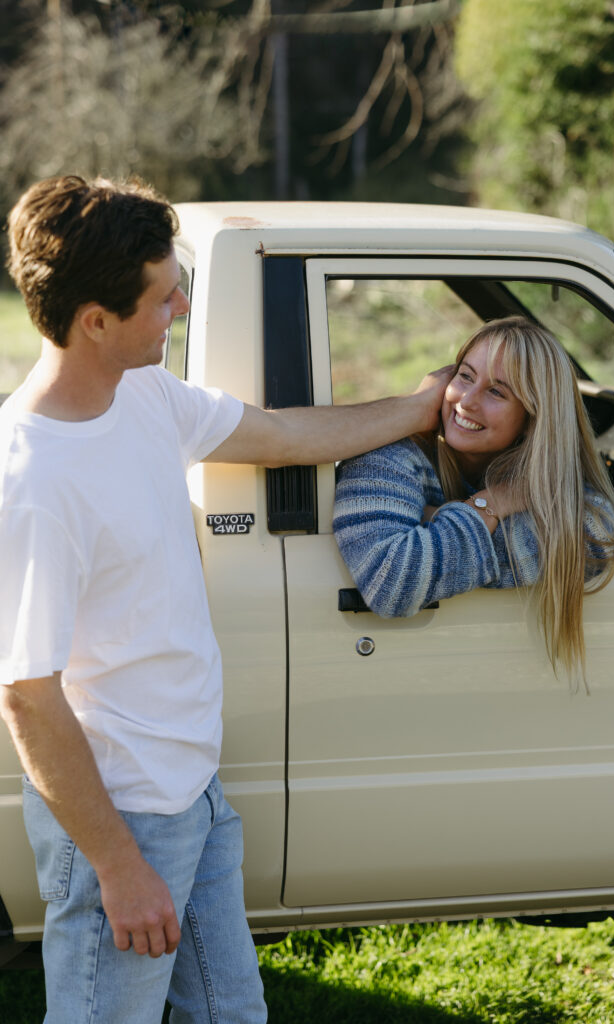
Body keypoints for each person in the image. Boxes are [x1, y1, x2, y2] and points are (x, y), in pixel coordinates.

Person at [0, 175, 452, 1024]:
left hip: (193, 794)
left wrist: (419, 408)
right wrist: (120, 866)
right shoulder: (33, 481)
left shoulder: (141, 395)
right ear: (95, 320)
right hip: (124, 817)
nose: (179, 306)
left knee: (232, 1015)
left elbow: (283, 434)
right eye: (164, 297)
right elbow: (27, 695)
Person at [334, 316, 614, 683]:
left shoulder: (544, 484)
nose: (467, 402)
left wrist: (435, 524)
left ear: (532, 419)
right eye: (465, 376)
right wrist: (492, 505)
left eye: (497, 392)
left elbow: (596, 533)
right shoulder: (385, 457)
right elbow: (394, 580)